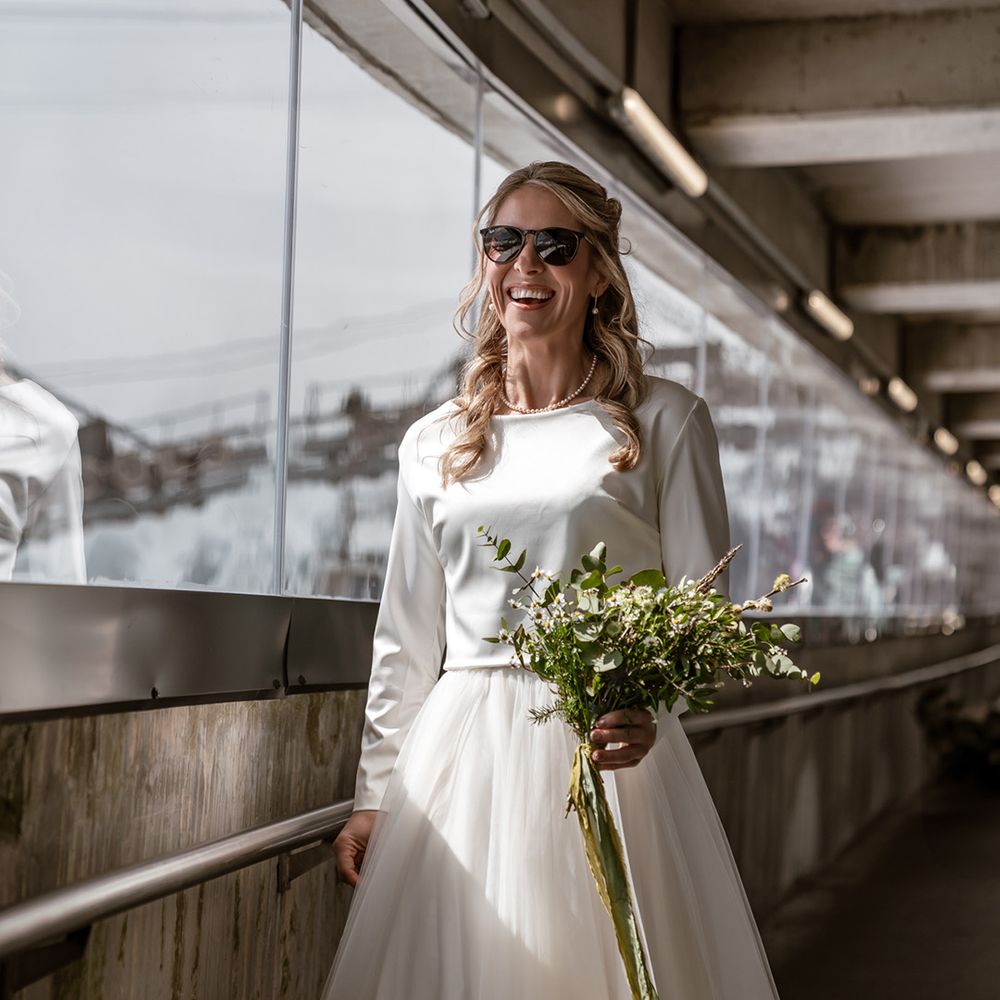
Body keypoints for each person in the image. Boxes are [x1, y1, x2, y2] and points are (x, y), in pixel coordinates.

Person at [323, 161, 780, 998]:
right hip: (458, 764)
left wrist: (652, 708)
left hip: (609, 760)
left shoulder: (666, 420)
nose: (524, 265)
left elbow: (702, 611)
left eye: (553, 246)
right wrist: (374, 794)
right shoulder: (431, 441)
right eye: (503, 242)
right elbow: (407, 634)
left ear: (599, 271)